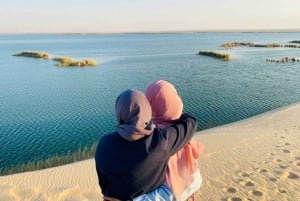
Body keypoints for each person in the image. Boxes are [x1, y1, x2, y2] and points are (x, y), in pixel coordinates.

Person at [95, 89, 197, 201]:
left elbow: (104, 185)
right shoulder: (160, 141)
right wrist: (174, 110)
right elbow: (191, 123)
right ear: (147, 111)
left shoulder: (104, 145)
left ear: (119, 113)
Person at [145, 80, 204, 201]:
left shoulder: (152, 135)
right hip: (192, 179)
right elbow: (197, 152)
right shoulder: (183, 129)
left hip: (171, 189)